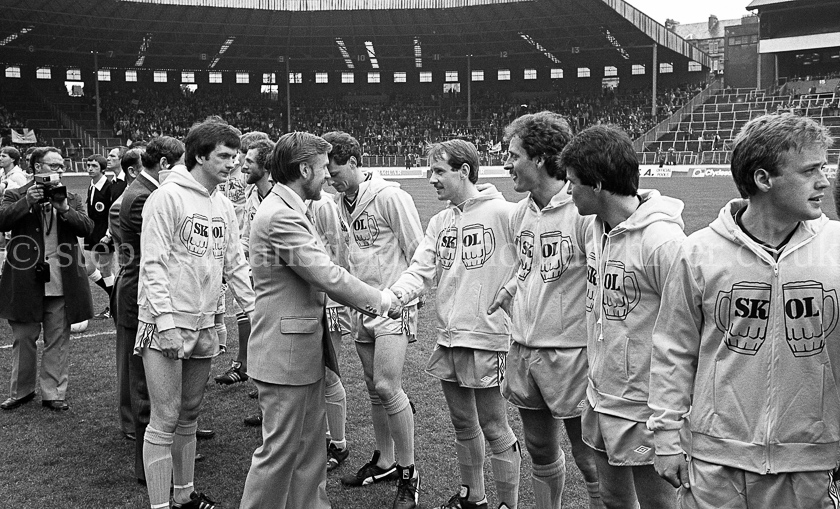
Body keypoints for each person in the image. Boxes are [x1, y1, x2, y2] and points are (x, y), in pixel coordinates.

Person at [648, 113, 840, 508]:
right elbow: (673, 348)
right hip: (715, 460)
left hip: (809, 461)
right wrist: (666, 435)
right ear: (764, 179)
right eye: (810, 171)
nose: (824, 181)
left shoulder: (837, 249)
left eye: (824, 167)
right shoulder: (699, 251)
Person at [239, 131, 402, 509]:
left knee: (310, 452)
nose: (327, 175)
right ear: (304, 168)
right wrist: (381, 300)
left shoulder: (289, 207)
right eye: (323, 168)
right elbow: (326, 274)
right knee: (280, 453)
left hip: (300, 350)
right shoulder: (281, 214)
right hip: (285, 354)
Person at [390, 140, 521, 509]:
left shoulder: (504, 213)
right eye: (430, 171)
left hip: (487, 335)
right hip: (449, 336)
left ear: (464, 171)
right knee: (463, 423)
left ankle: (507, 505)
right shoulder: (440, 221)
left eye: (439, 171)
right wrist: (392, 297)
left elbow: (531, 263)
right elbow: (419, 269)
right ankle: (473, 497)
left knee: (495, 427)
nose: (431, 179)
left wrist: (511, 289)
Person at [560, 124, 685, 509]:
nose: (567, 191)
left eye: (572, 182)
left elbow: (689, 332)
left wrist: (672, 417)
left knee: (660, 506)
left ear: (597, 184)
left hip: (645, 406)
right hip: (600, 395)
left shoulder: (663, 242)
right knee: (613, 498)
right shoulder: (593, 229)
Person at [136, 119, 254, 509]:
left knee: (189, 412)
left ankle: (184, 496)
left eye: (234, 158)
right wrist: (165, 324)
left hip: (205, 320)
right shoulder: (166, 198)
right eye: (223, 156)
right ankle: (159, 504)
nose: (231, 165)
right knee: (165, 415)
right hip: (166, 321)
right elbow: (152, 265)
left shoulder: (222, 204)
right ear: (200, 155)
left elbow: (235, 263)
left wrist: (254, 310)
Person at [487, 111, 603, 509]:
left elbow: (604, 284)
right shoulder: (521, 214)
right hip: (523, 348)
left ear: (539, 158)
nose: (505, 163)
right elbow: (526, 267)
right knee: (539, 448)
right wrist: (509, 289)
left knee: (590, 458)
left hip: (570, 354)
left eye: (512, 153)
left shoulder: (582, 212)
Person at [323, 130, 423, 509]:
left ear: (353, 162)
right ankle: (384, 460)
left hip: (392, 304)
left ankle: (409, 472)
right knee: (371, 386)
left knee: (386, 384)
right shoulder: (337, 203)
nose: (330, 177)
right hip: (360, 306)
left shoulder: (391, 196)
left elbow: (417, 249)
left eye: (334, 170)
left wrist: (409, 298)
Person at [0, 146, 94, 412]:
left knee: (57, 339)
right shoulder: (15, 193)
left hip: (61, 281)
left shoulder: (72, 197)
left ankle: (53, 393)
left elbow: (88, 228)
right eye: (54, 166)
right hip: (25, 280)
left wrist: (64, 209)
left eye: (61, 166)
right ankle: (21, 391)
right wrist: (26, 202)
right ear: (37, 167)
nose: (60, 170)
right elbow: (2, 221)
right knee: (24, 338)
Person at [116, 139, 183, 485]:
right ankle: (151, 466)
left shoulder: (141, 188)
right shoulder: (146, 195)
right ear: (166, 164)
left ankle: (164, 449)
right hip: (142, 295)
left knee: (146, 382)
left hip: (138, 289)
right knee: (145, 386)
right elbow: (166, 251)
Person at [214, 130, 268, 378]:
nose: (240, 165)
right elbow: (247, 233)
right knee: (244, 304)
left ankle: (251, 367)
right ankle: (248, 366)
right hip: (242, 250)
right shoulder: (252, 193)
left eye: (246, 158)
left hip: (273, 267)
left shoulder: (280, 195)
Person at [84, 154, 116, 319]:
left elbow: (113, 213)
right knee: (89, 268)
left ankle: (114, 305)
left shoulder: (109, 188)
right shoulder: (91, 185)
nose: (90, 168)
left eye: (94, 166)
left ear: (103, 169)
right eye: (88, 165)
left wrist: (109, 235)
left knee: (105, 271)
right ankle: (115, 299)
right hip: (91, 234)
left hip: (104, 236)